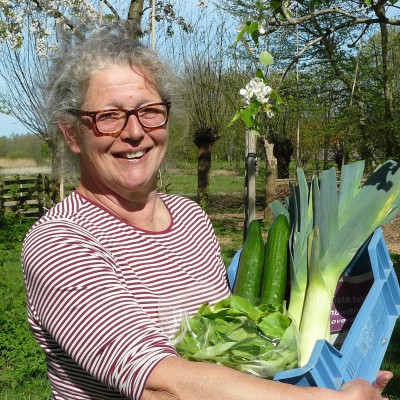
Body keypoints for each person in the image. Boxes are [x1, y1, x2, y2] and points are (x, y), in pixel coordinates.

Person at [21, 22, 392, 400]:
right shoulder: (59, 243)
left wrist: (329, 379)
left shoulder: (189, 218)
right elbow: (160, 384)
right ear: (72, 134)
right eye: (110, 116)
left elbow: (229, 355)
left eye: (149, 111)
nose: (134, 132)